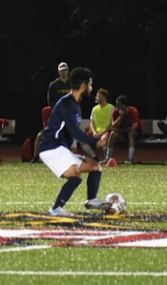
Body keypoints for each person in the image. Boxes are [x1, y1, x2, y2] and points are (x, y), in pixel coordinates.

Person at [38, 67, 111, 217]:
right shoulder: (67, 103)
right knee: (75, 176)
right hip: (51, 147)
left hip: (60, 147)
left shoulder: (75, 104)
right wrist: (95, 143)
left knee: (95, 167)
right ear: (83, 86)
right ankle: (56, 209)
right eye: (90, 85)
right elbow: (74, 132)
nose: (91, 88)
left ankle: (91, 200)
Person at [31, 62, 71, 162]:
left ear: (68, 71)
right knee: (41, 135)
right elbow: (50, 100)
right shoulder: (54, 85)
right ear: (58, 72)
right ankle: (35, 157)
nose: (64, 73)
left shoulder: (72, 84)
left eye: (65, 70)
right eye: (62, 71)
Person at [106, 95, 141, 164]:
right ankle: (108, 158)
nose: (116, 106)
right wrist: (120, 116)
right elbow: (114, 125)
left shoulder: (134, 111)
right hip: (121, 133)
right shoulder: (115, 112)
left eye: (118, 104)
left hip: (135, 133)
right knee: (113, 134)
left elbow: (133, 128)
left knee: (130, 134)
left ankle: (130, 159)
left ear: (124, 105)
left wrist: (119, 130)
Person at [90, 88, 114, 162]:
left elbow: (111, 124)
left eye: (98, 96)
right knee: (82, 139)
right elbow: (91, 122)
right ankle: (94, 157)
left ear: (103, 97)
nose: (96, 98)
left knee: (103, 138)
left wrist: (100, 133)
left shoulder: (111, 108)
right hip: (96, 132)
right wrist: (94, 132)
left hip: (105, 131)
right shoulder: (94, 109)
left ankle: (107, 158)